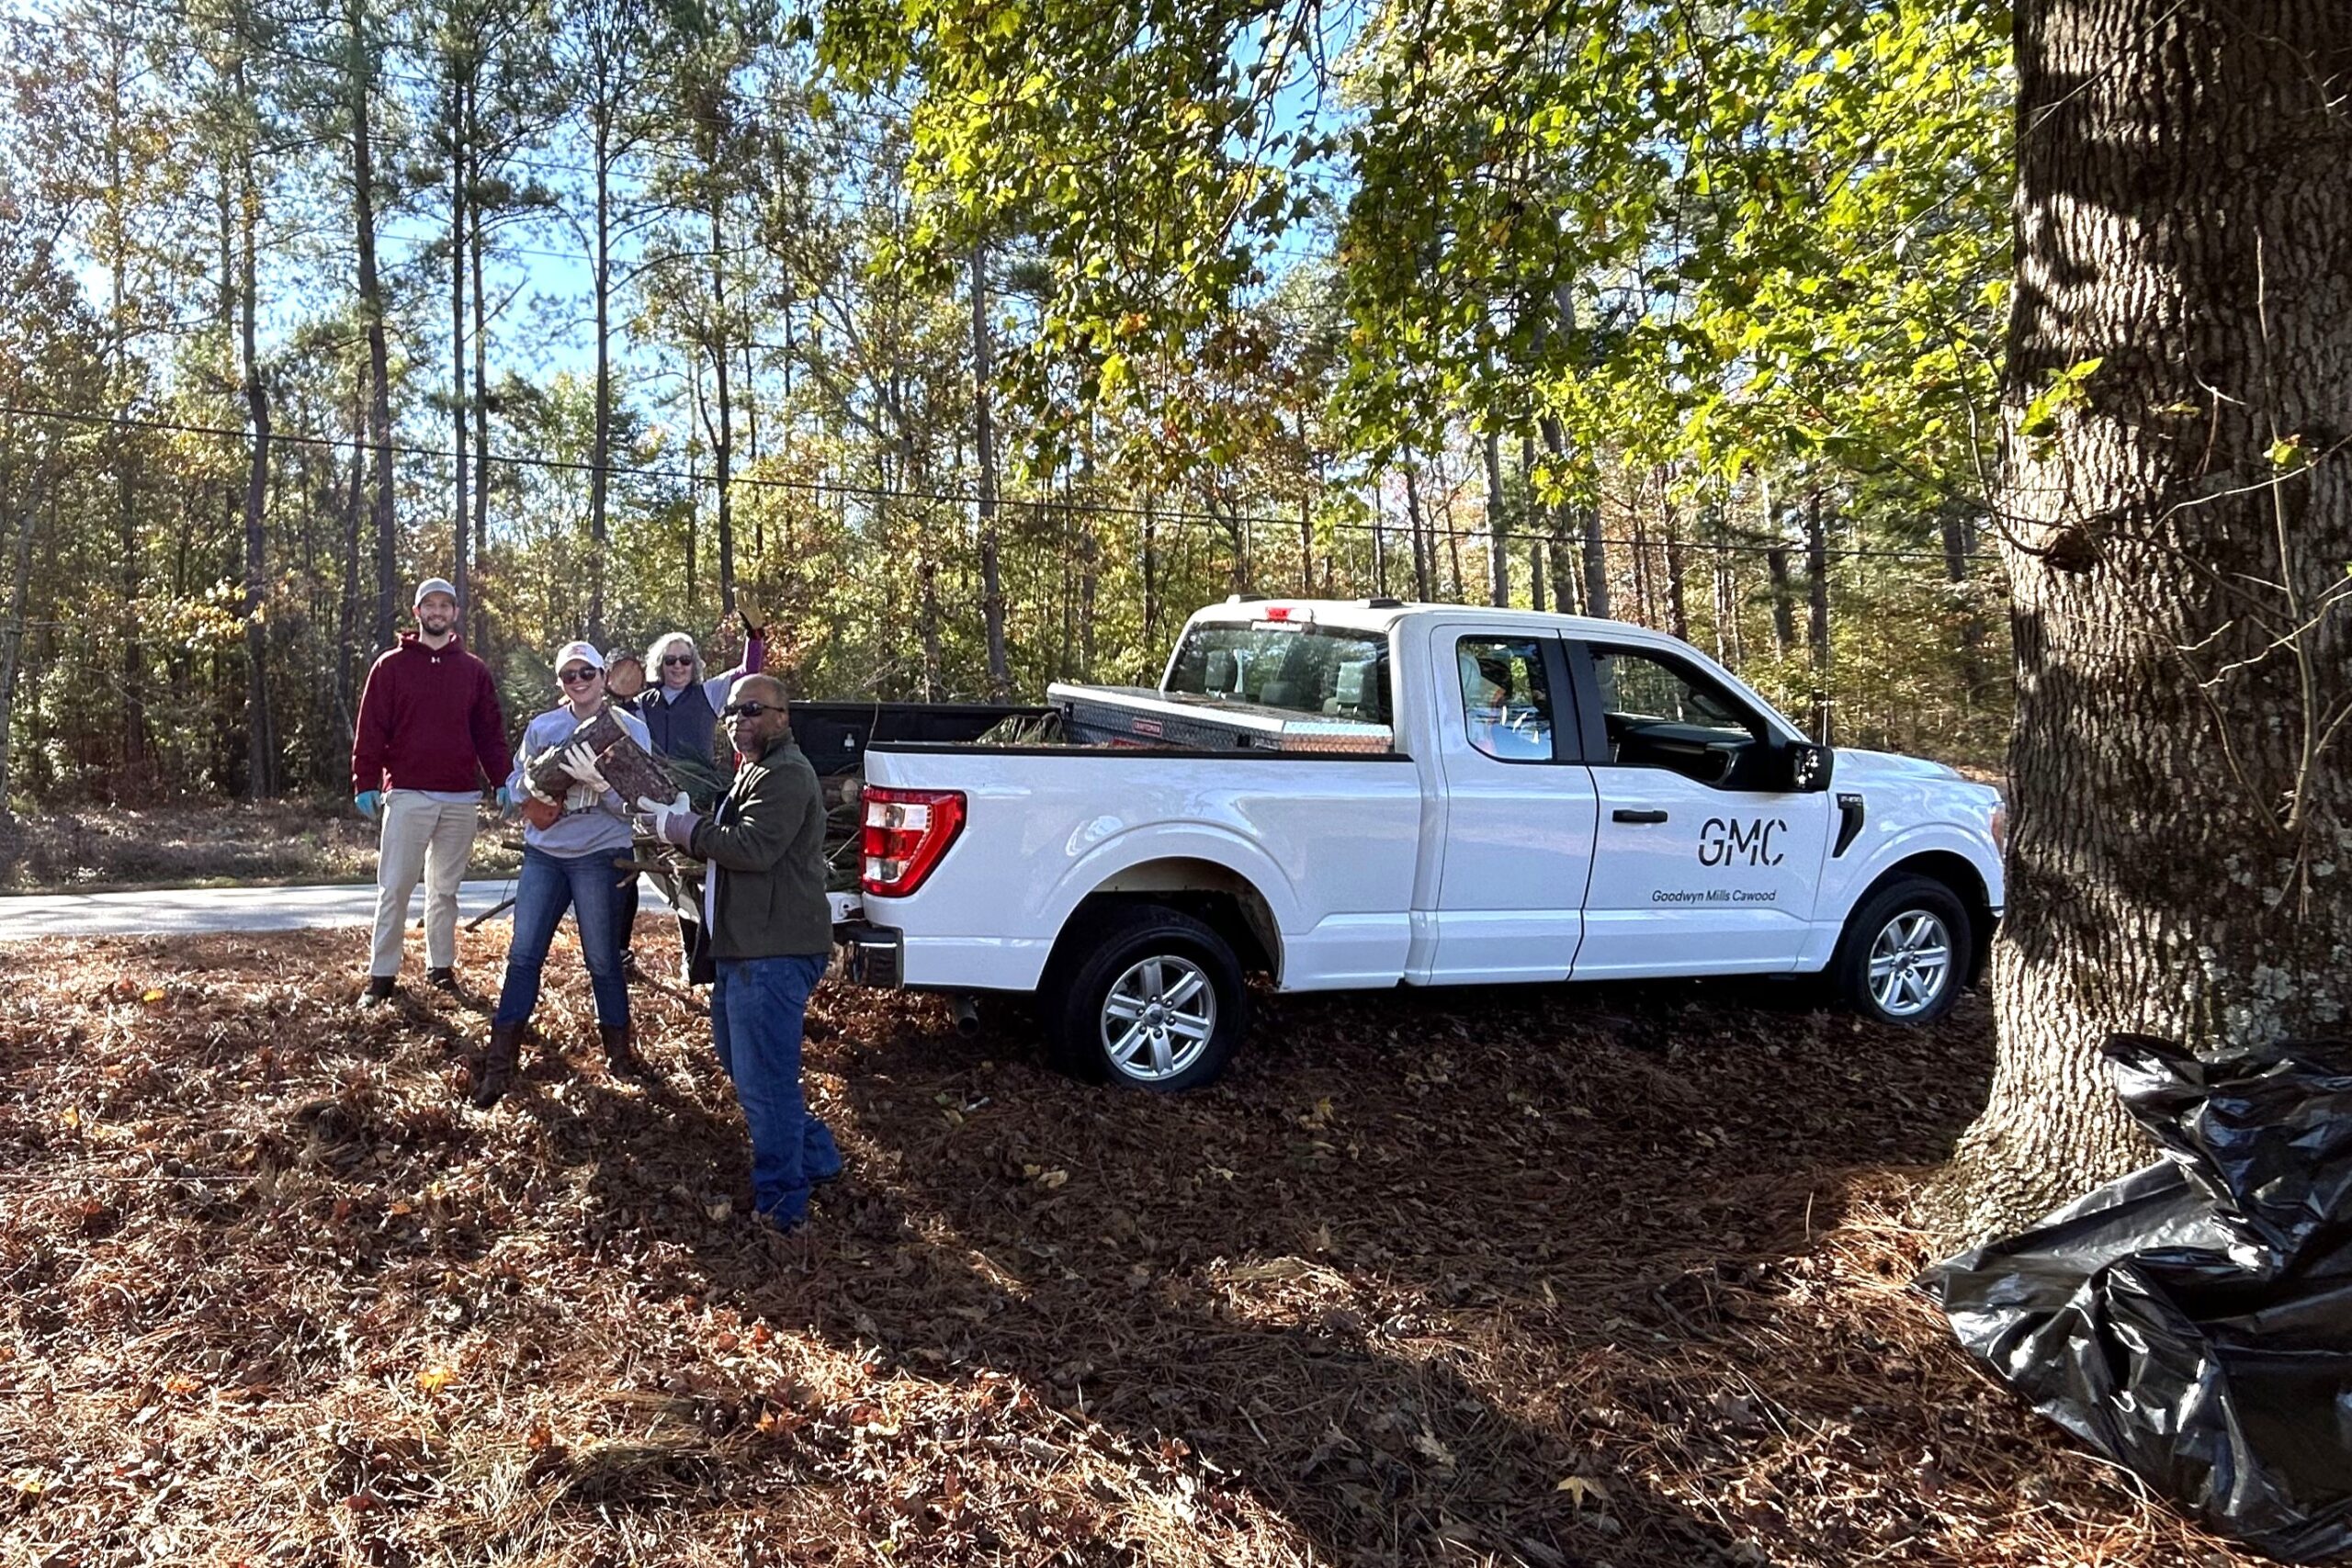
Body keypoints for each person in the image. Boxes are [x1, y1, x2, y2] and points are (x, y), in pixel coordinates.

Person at [638, 672, 841, 1233]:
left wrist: (685, 828)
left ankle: (783, 1205)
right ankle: (818, 1158)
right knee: (747, 1067)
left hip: (773, 952)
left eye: (753, 710)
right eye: (731, 712)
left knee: (765, 1081)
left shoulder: (787, 774)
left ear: (783, 716)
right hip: (745, 948)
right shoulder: (755, 771)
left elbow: (752, 848)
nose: (739, 721)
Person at [474, 642, 654, 1109]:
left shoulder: (629, 727)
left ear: (603, 676)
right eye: (569, 675)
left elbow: (645, 801)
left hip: (600, 852)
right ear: (561, 683)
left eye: (587, 673)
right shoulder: (543, 727)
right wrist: (534, 802)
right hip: (545, 855)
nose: (579, 681)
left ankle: (619, 1056)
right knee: (524, 954)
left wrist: (602, 787)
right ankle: (500, 1063)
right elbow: (516, 783)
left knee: (602, 958)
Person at [350, 577, 510, 1007]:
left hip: (460, 797)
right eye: (430, 606)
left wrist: (502, 779)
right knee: (395, 887)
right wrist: (365, 781)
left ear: (455, 613)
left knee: (444, 890)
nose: (437, 612)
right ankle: (381, 977)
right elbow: (371, 731)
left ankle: (440, 968)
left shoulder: (473, 671)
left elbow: (489, 734)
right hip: (407, 794)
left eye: (445, 606)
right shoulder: (391, 667)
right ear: (417, 612)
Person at [641, 611, 765, 763]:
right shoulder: (644, 702)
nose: (678, 665)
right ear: (660, 665)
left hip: (699, 783)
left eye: (685, 660)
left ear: (694, 664)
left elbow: (748, 672)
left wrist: (754, 635)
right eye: (670, 660)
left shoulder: (709, 693)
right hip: (655, 782)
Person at [602, 645, 650, 975]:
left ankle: (619, 950)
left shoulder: (647, 709)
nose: (678, 666)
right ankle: (605, 952)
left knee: (628, 879)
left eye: (685, 660)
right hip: (603, 816)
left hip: (650, 804)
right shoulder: (590, 712)